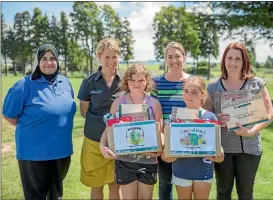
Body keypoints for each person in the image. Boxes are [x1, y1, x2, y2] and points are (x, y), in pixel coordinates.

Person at [2, 44, 76, 199]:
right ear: (38, 61)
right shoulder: (25, 85)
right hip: (33, 153)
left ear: (57, 61)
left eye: (52, 58)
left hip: (61, 152)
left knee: (56, 195)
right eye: (44, 59)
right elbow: (9, 115)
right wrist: (34, 128)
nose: (49, 62)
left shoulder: (65, 83)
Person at [205, 42, 273, 200]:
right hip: (222, 150)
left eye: (238, 58)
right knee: (223, 193)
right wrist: (216, 119)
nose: (233, 62)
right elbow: (206, 118)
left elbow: (269, 114)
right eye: (229, 58)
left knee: (246, 194)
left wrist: (250, 131)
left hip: (249, 149)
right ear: (224, 60)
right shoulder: (213, 87)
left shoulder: (256, 84)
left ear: (244, 61)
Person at [99, 63, 163, 199]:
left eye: (141, 80)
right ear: (126, 81)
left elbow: (160, 131)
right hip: (124, 160)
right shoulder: (118, 103)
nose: (136, 83)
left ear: (147, 81)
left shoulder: (154, 104)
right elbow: (109, 128)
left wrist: (160, 146)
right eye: (132, 80)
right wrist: (102, 146)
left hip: (148, 160)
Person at [161, 76, 225, 200]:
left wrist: (219, 155)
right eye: (186, 91)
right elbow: (166, 153)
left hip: (203, 171)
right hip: (181, 170)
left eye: (194, 92)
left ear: (203, 94)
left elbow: (219, 152)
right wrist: (167, 156)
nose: (189, 95)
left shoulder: (210, 117)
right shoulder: (174, 117)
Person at [77, 38, 122, 199]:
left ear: (119, 56)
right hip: (94, 142)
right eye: (107, 57)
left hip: (119, 142)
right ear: (99, 57)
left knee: (116, 186)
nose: (111, 61)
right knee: (96, 187)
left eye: (114, 57)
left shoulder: (125, 82)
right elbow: (84, 111)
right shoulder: (88, 83)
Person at [151, 41, 191, 200]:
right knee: (165, 183)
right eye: (170, 57)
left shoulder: (192, 81)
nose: (174, 60)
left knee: (187, 183)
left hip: (188, 141)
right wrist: (162, 142)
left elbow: (200, 111)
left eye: (177, 56)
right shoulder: (157, 83)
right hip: (164, 141)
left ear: (184, 57)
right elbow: (155, 114)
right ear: (165, 59)